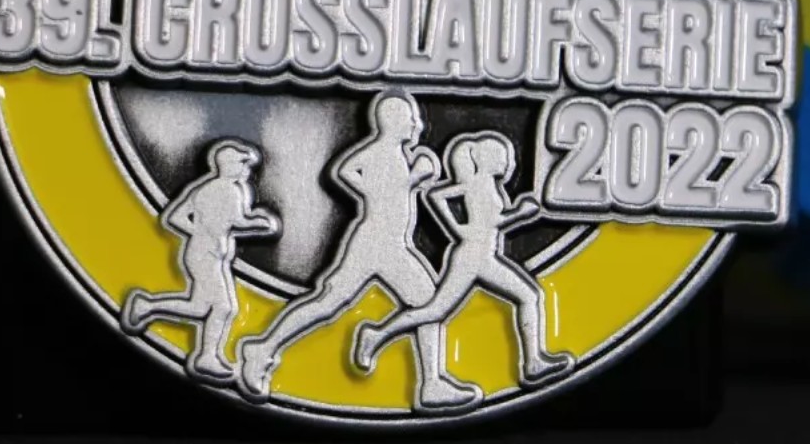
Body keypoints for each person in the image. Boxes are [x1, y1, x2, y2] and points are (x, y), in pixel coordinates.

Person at [238, 91, 482, 411]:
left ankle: (431, 384)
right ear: (393, 121)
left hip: (391, 244)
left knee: (427, 303)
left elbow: (358, 176)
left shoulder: (394, 154)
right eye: (410, 119)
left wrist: (412, 178)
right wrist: (412, 178)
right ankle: (262, 349)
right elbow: (345, 172)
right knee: (331, 303)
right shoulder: (380, 152)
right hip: (375, 242)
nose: (418, 124)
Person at [353, 132, 574, 392]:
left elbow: (460, 207)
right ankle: (376, 335)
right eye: (500, 155)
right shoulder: (478, 184)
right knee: (436, 311)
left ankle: (533, 362)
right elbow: (450, 202)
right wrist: (515, 215)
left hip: (483, 256)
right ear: (485, 159)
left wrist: (471, 226)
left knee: (526, 296)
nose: (507, 161)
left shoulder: (485, 185)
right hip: (472, 258)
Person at [121, 139, 279, 381]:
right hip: (207, 256)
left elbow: (175, 217)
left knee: (200, 307)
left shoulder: (206, 187)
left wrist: (199, 232)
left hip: (201, 252)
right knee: (225, 308)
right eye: (242, 163)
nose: (246, 168)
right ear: (229, 165)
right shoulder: (229, 190)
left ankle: (146, 307)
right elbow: (238, 223)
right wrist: (259, 224)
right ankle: (207, 356)